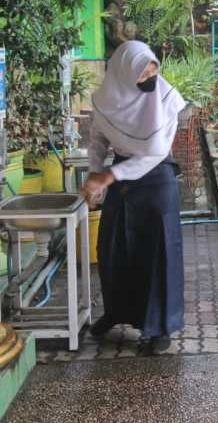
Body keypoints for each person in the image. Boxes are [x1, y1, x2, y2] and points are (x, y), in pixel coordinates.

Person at [80, 40, 186, 354]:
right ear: (123, 75)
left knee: (157, 255)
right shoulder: (106, 100)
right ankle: (116, 312)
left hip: (156, 180)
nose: (149, 80)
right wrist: (94, 172)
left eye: (153, 71)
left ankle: (160, 328)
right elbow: (97, 139)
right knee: (113, 249)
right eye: (142, 75)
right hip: (122, 178)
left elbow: (154, 153)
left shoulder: (165, 100)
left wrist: (108, 177)